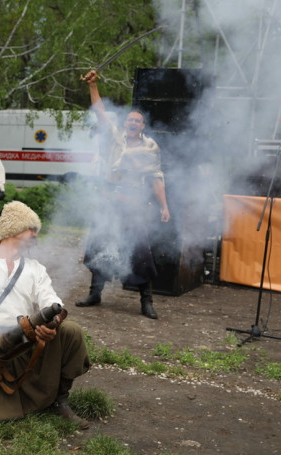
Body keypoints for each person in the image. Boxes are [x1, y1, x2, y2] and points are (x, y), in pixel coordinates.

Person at [0, 201, 91, 428]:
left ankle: (60, 401)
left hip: (26, 345)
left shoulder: (35, 268)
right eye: (31, 229)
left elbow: (54, 303)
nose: (35, 235)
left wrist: (50, 324)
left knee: (71, 331)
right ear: (13, 228)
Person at [75, 70, 171, 320]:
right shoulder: (116, 137)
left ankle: (146, 301)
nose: (132, 123)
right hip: (110, 200)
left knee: (141, 251)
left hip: (134, 203)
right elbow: (100, 112)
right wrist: (93, 85)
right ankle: (95, 294)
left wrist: (164, 206)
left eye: (137, 121)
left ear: (143, 126)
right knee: (100, 246)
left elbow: (156, 178)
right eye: (129, 120)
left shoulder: (151, 147)